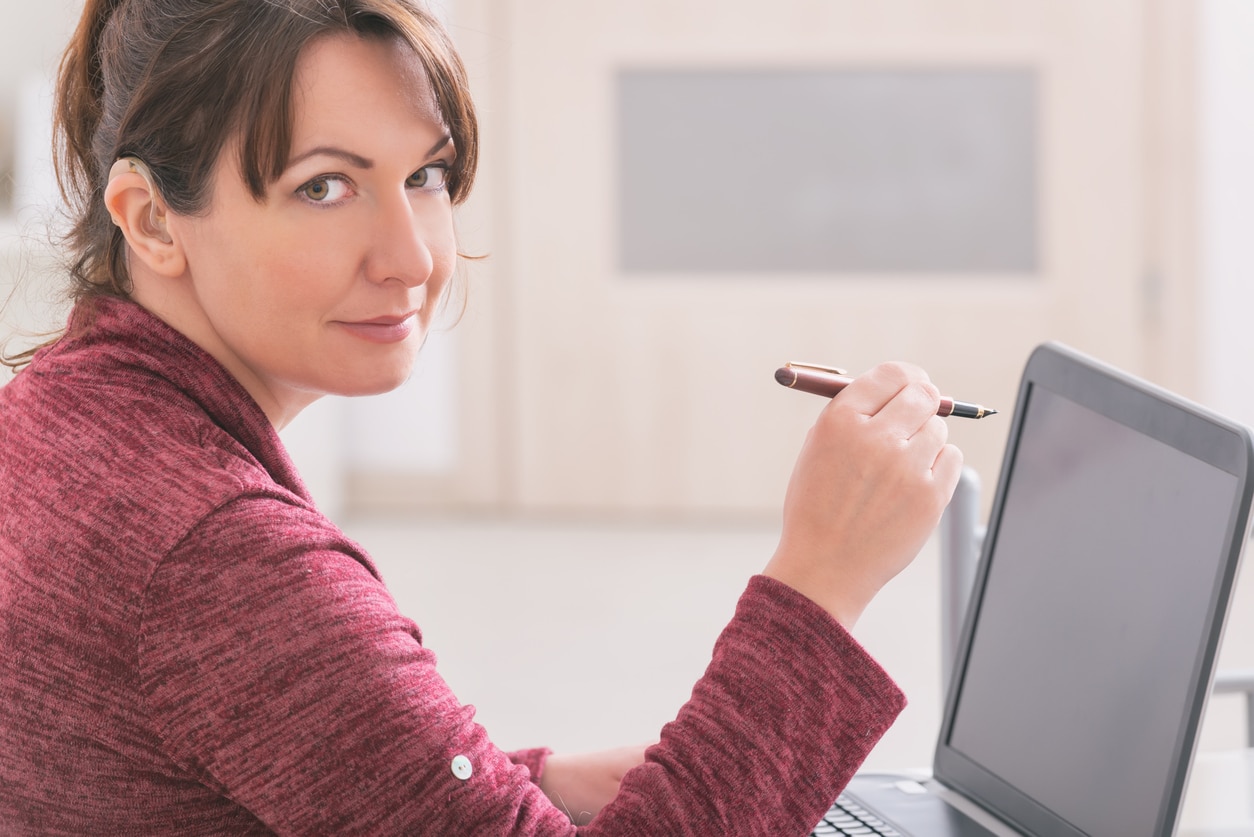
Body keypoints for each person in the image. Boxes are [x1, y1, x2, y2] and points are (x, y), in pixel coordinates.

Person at [0, 0, 963, 833]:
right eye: (324, 187)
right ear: (152, 218)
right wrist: (823, 578)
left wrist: (532, 783)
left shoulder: (55, 419)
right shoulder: (218, 555)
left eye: (423, 176)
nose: (412, 259)